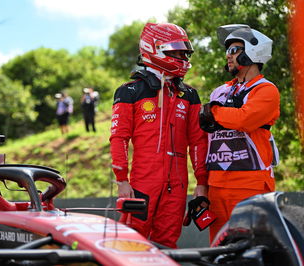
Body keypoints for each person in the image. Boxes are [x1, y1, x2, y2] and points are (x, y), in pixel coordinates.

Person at [109, 22, 209, 248]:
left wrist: (202, 182)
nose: (182, 56)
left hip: (178, 184)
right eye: (176, 51)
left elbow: (198, 142)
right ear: (154, 48)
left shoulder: (189, 94)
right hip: (143, 182)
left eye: (184, 52)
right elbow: (119, 138)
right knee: (132, 241)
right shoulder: (130, 91)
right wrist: (122, 180)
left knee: (167, 244)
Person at [199, 24, 280, 242]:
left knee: (249, 247)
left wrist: (214, 111)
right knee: (218, 248)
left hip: (249, 182)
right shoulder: (220, 91)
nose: (228, 56)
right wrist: (202, 186)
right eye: (227, 51)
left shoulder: (266, 90)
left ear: (254, 51)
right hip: (216, 184)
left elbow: (245, 119)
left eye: (234, 50)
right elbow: (206, 137)